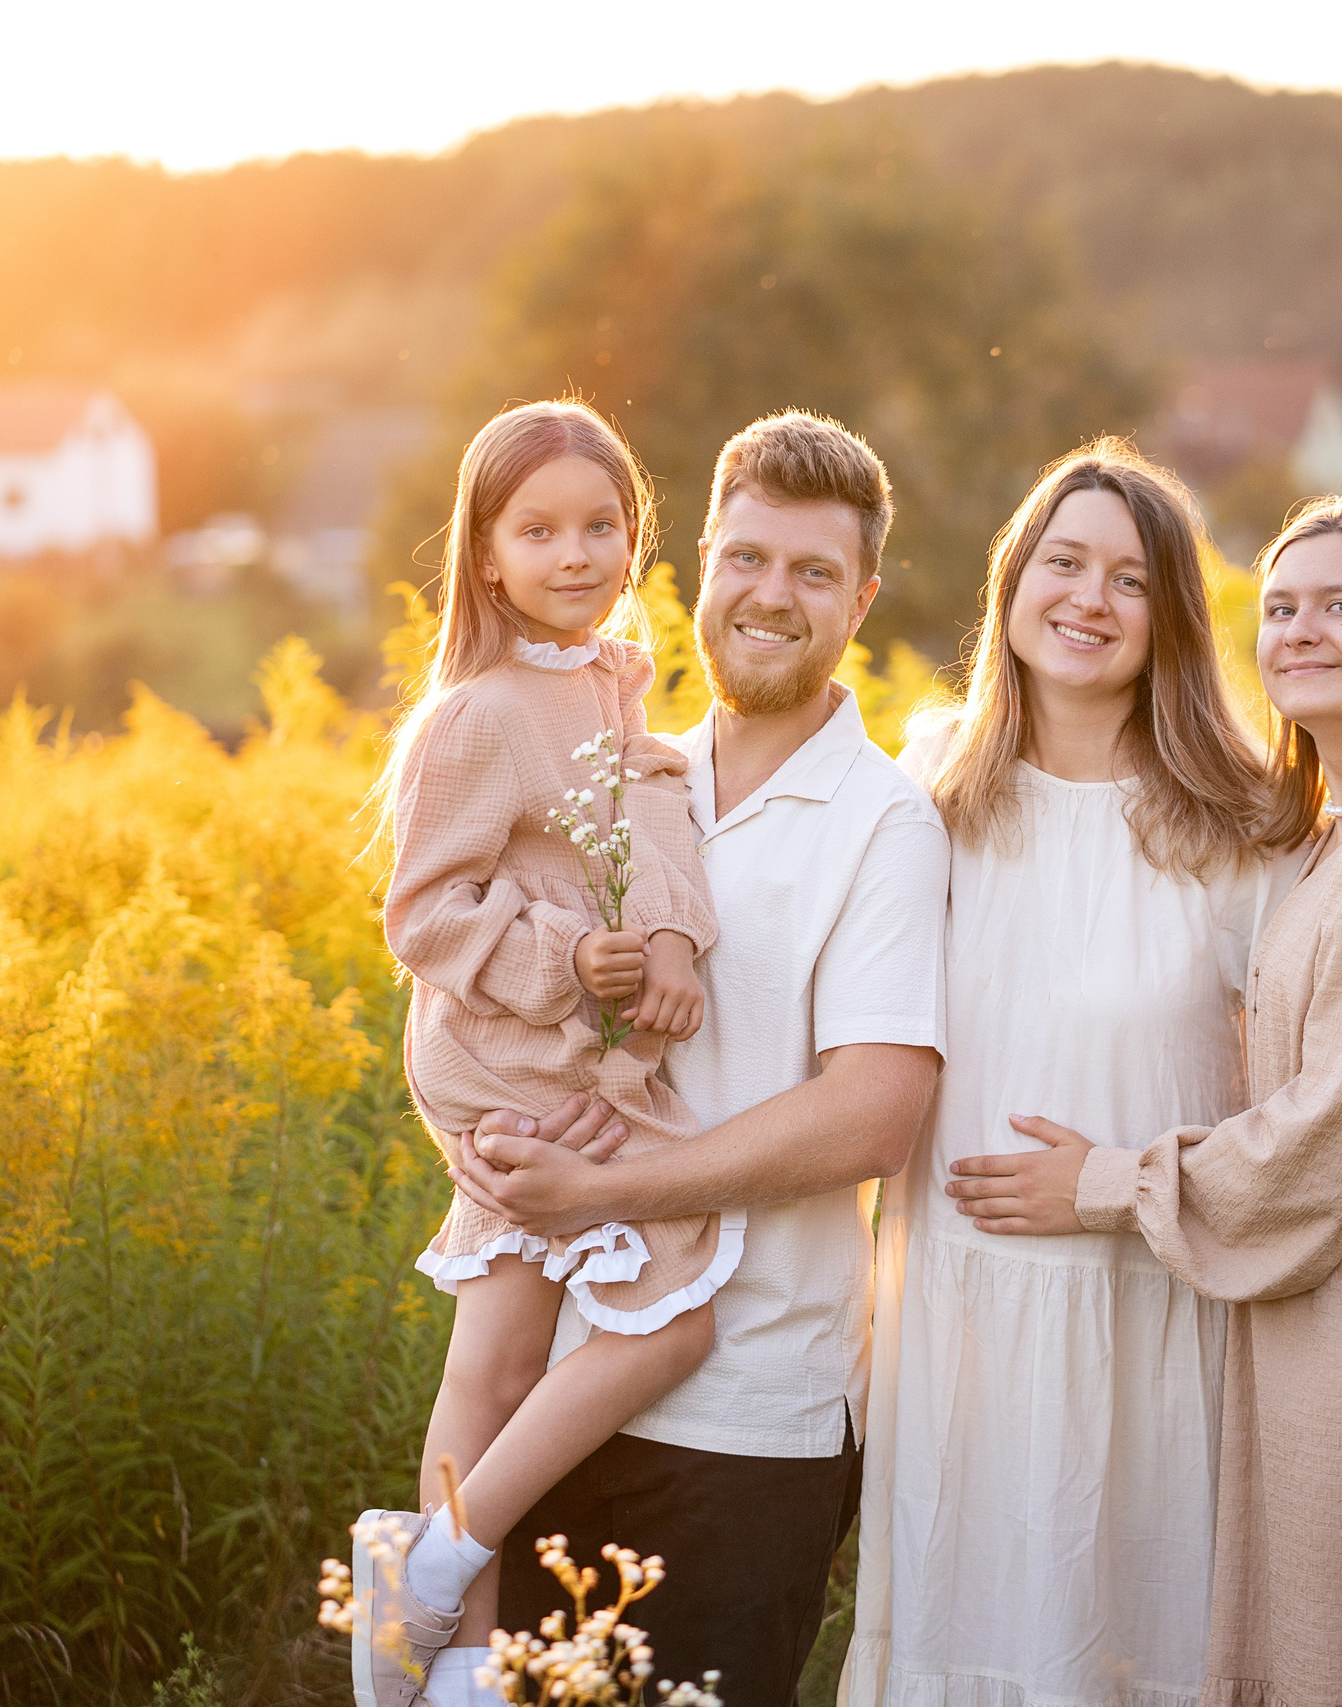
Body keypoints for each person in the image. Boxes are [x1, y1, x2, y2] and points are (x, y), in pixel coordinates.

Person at [845, 451, 1342, 1707]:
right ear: (1010, 581)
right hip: (959, 1317)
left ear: (1172, 620)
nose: (1088, 598)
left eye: (1130, 579)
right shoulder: (920, 799)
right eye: (1062, 563)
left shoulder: (1244, 822)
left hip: (1156, 1310)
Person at [444, 412, 950, 1706]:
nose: (772, 597)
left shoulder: (882, 824)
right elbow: (477, 971)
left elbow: (872, 1117)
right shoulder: (613, 765)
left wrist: (603, 1189)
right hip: (565, 1388)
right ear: (703, 563)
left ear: (863, 600)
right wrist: (498, 1133)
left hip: (747, 1427)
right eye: (750, 558)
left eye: (815, 572)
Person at [355, 401, 734, 1702]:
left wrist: (674, 940)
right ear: (485, 551)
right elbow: (425, 912)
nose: (576, 552)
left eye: (601, 524)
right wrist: (572, 956)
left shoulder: (616, 685)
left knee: (528, 1356)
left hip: (582, 1065)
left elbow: (662, 829)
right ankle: (449, 1612)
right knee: (595, 1337)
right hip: (519, 1063)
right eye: (539, 528)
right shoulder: (478, 715)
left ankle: (446, 1625)